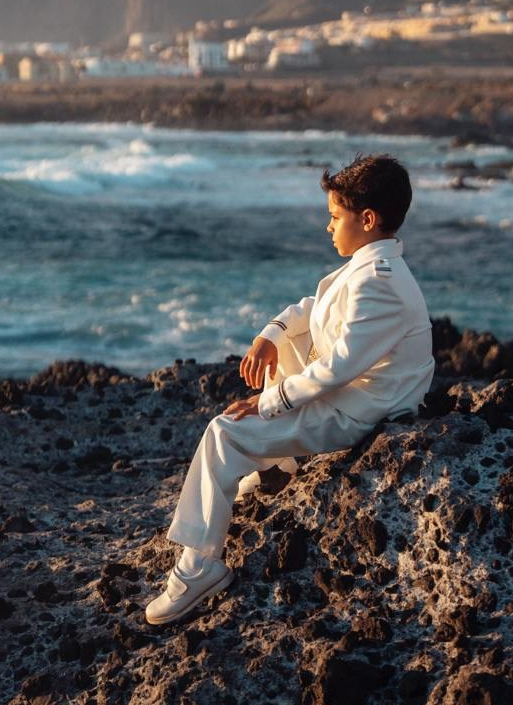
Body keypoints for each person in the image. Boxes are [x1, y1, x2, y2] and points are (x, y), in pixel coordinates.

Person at [145, 153, 434, 625]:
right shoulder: (369, 266)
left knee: (224, 432)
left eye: (335, 217)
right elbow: (312, 307)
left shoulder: (379, 284)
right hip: (362, 391)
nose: (329, 227)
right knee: (292, 347)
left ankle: (199, 566)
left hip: (361, 411)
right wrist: (272, 334)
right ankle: (283, 462)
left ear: (368, 219)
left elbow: (338, 368)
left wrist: (268, 403)